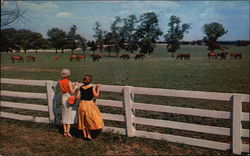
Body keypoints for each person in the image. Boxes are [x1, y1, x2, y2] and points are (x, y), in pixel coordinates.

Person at [76, 75, 104, 140]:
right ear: (90, 81)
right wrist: (98, 88)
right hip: (89, 104)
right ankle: (88, 135)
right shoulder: (92, 87)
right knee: (91, 119)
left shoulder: (81, 87)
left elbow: (77, 96)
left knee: (83, 119)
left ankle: (85, 135)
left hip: (82, 104)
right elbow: (96, 96)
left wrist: (83, 98)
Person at [58, 68, 78, 137]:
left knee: (64, 114)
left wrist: (72, 85)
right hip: (68, 97)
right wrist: (75, 86)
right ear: (68, 75)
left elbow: (65, 88)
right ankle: (68, 132)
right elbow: (72, 92)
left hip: (63, 97)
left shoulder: (60, 81)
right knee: (69, 115)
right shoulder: (69, 81)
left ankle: (64, 131)